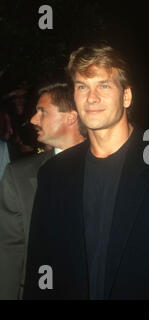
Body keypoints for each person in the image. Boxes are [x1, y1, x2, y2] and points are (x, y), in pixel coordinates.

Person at [23, 43, 149, 299]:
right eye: (83, 86)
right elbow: (40, 267)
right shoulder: (53, 173)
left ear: (126, 96)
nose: (91, 97)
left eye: (103, 85)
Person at [0, 82, 85, 299]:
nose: (33, 120)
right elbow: (9, 251)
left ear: (71, 117)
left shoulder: (110, 169)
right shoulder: (18, 176)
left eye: (42, 112)